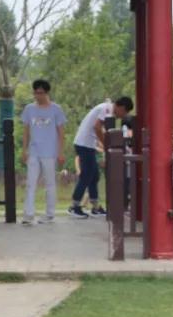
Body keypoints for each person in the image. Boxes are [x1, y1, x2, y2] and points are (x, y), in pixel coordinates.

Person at [20, 79, 66, 226]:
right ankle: (28, 214)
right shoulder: (29, 109)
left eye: (40, 93)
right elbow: (26, 131)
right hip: (34, 151)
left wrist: (61, 152)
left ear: (46, 93)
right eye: (35, 93)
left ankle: (50, 214)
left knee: (50, 184)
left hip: (50, 152)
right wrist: (24, 150)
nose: (37, 96)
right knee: (31, 183)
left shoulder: (56, 110)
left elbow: (61, 133)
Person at [67, 100, 112, 218]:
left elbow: (99, 129)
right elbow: (97, 127)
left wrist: (102, 143)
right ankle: (74, 206)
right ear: (122, 108)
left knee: (94, 176)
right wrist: (106, 145)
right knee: (86, 176)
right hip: (84, 144)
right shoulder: (107, 108)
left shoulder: (105, 108)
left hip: (88, 144)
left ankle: (95, 207)